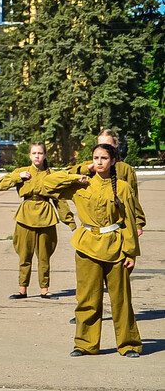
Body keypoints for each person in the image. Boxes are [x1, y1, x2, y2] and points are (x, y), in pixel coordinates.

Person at [44, 144, 141, 358]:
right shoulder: (81, 184)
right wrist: (78, 173)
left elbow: (129, 221)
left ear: (113, 161)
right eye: (95, 158)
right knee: (88, 299)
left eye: (104, 158)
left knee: (121, 300)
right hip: (87, 246)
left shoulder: (123, 187)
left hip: (115, 246)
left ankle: (129, 344)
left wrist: (131, 253)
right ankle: (85, 344)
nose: (99, 162)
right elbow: (47, 183)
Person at [0, 142, 76, 300]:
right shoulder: (22, 171)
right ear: (29, 155)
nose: (37, 156)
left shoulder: (51, 175)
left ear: (45, 155)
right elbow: (1, 185)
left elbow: (59, 200)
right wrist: (18, 177)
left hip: (46, 216)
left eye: (40, 153)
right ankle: (22, 289)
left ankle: (44, 289)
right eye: (34, 153)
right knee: (24, 254)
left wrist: (70, 221)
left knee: (44, 255)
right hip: (25, 215)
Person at [67, 129, 146, 235]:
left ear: (116, 145)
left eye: (108, 145)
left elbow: (133, 198)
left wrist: (138, 224)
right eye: (100, 144)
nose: (104, 148)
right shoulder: (92, 165)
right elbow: (66, 175)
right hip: (93, 223)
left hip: (118, 223)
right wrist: (86, 169)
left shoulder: (125, 169)